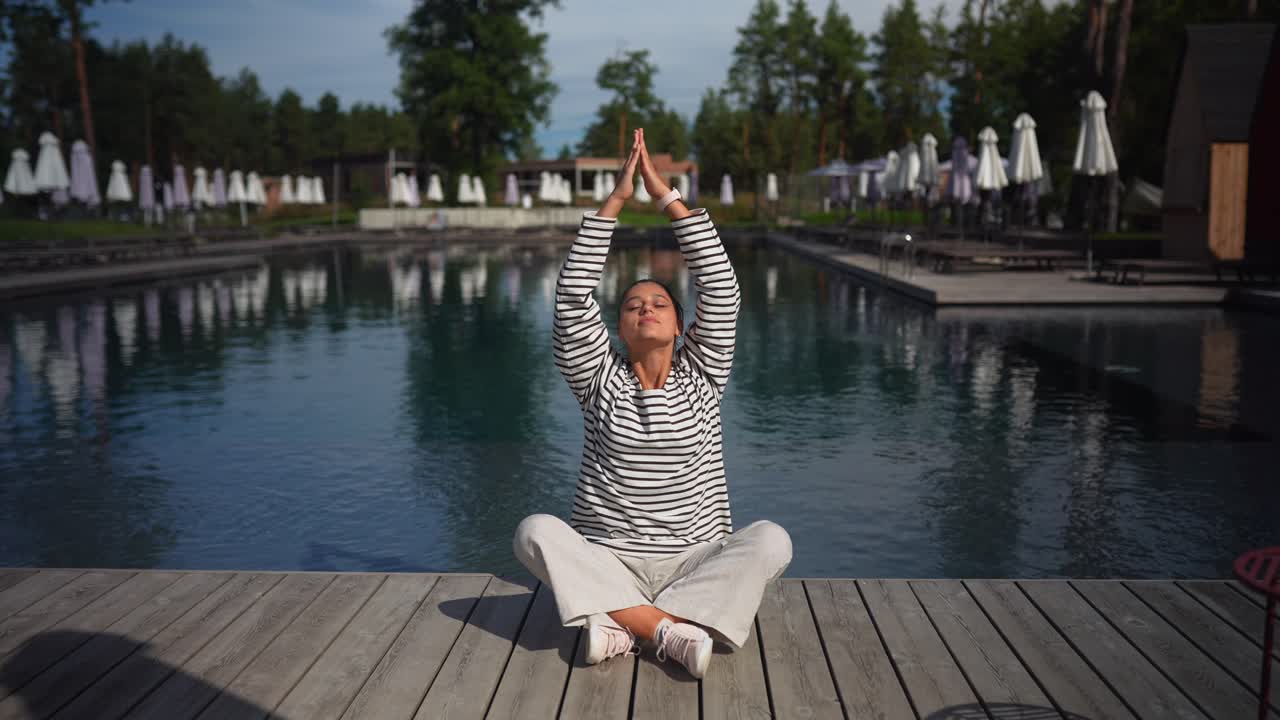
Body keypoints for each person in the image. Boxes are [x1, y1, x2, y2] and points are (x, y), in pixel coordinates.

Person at [513, 129, 791, 679]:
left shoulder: (703, 375)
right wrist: (615, 200)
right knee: (533, 532)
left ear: (682, 325)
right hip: (609, 556)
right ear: (617, 326)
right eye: (634, 304)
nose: (645, 308)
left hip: (695, 559)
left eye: (659, 302)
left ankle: (619, 623)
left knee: (773, 541)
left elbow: (722, 289)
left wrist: (667, 197)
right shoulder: (597, 378)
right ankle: (668, 630)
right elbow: (571, 296)